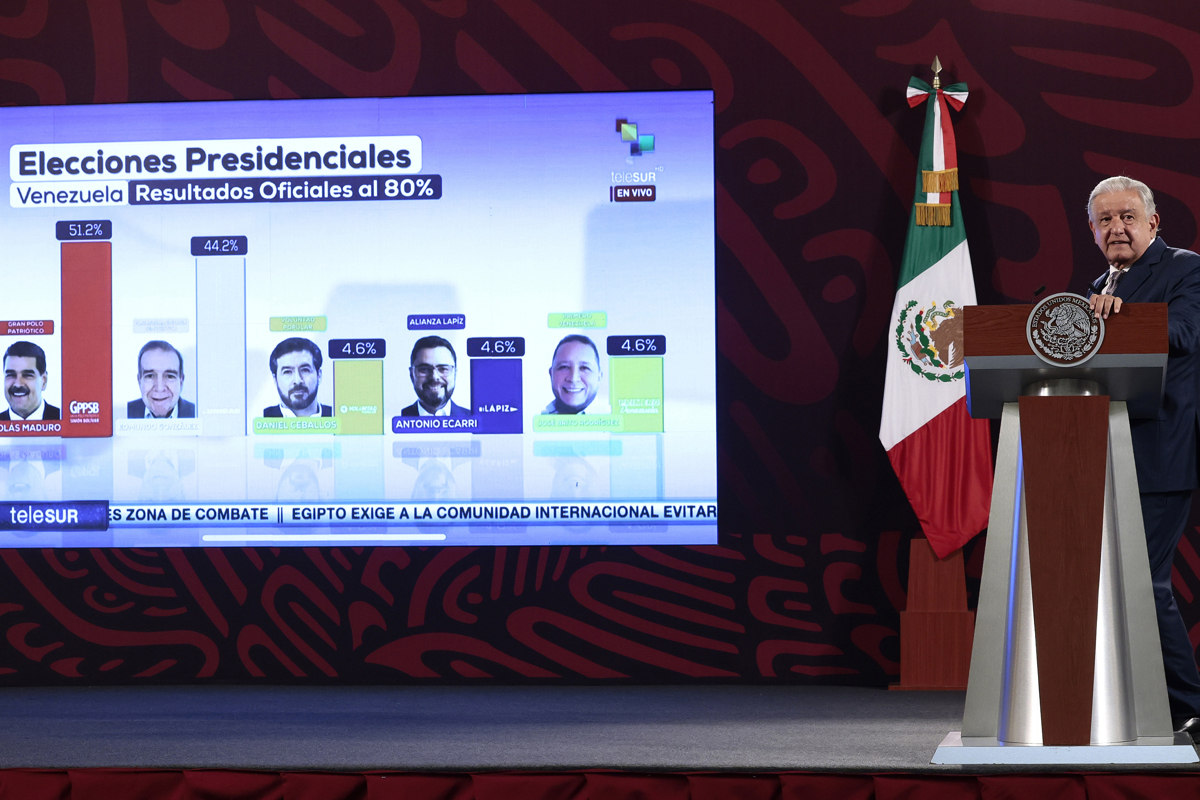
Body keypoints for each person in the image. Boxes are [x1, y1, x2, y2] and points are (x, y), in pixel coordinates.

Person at [1085, 176, 1200, 735]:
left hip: (1164, 452)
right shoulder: (1096, 287)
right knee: (1121, 585)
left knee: (1145, 584)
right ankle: (1139, 707)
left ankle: (1192, 709)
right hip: (1107, 452)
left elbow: (1183, 334)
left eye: (1127, 217)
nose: (1117, 228)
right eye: (1105, 220)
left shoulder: (1185, 268)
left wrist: (1118, 313)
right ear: (1092, 231)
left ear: (1152, 224)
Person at [400, 336, 470, 417]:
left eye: (443, 369)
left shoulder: (475, 421)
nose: (434, 377)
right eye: (424, 369)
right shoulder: (393, 419)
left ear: (455, 374)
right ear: (412, 374)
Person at [264, 337, 332, 417]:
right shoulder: (261, 416)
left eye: (305, 370)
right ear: (275, 380)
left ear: (319, 375)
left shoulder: (338, 415)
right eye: (287, 372)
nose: (298, 380)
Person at [127, 340, 195, 419]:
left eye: (169, 376)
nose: (160, 388)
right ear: (139, 381)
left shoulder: (196, 412)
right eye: (150, 376)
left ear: (181, 381)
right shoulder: (123, 412)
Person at [542, 334, 603, 414]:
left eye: (584, 368)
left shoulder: (615, 419)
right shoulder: (537, 418)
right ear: (551, 374)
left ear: (599, 378)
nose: (573, 378)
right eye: (564, 367)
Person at [1, 341, 60, 420]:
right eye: (11, 375)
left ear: (44, 381)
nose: (18, 384)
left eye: (27, 375)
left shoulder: (62, 419)